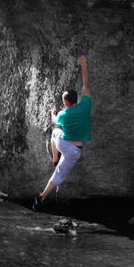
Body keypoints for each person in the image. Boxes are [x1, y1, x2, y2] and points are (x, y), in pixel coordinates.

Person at [33, 53, 91, 209]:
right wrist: (84, 65)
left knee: (54, 132)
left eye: (63, 99)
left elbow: (55, 122)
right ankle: (41, 198)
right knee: (59, 175)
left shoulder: (62, 115)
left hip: (62, 143)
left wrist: (53, 114)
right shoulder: (85, 106)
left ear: (66, 102)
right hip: (74, 150)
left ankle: (55, 157)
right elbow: (86, 84)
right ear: (76, 99)